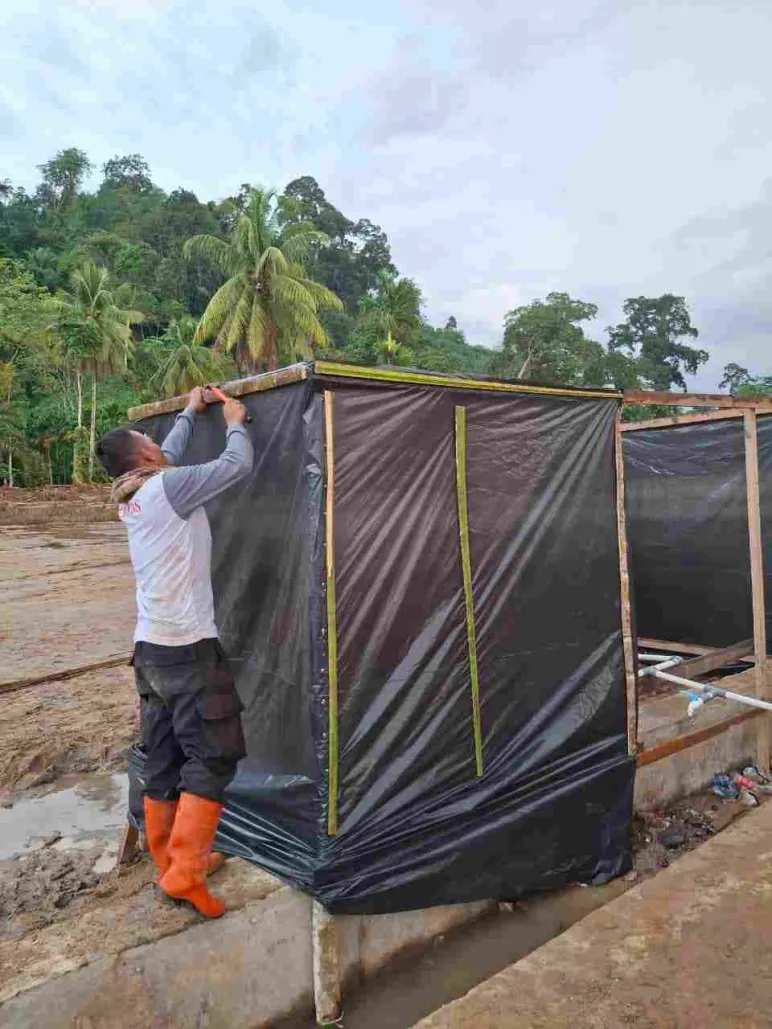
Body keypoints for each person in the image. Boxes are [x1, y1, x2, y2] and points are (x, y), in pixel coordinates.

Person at [96, 387, 254, 918]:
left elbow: (167, 453)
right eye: (149, 438)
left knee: (163, 755)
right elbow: (237, 464)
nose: (157, 442)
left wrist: (188, 412)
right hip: (188, 649)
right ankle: (187, 871)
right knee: (213, 754)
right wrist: (235, 420)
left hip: (150, 651)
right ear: (144, 454)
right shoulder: (169, 486)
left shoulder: (133, 494)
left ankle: (169, 860)